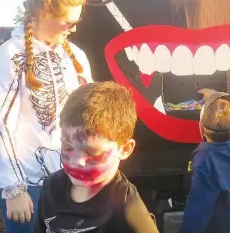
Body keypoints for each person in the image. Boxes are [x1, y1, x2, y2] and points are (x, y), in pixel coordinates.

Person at [0, 0, 92, 233]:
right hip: (29, 184)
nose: (73, 28)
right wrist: (13, 187)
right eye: (68, 21)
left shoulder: (76, 57)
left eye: (76, 22)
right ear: (42, 14)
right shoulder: (10, 57)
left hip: (71, 178)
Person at [35, 81, 159, 233]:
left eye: (93, 152)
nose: (77, 161)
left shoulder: (126, 207)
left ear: (125, 149)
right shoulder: (51, 188)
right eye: (67, 147)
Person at [180, 88, 230, 233]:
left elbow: (197, 213)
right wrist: (213, 95)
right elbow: (227, 120)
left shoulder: (204, 163)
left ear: (201, 128)